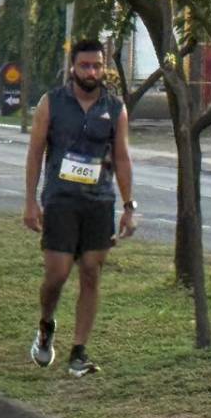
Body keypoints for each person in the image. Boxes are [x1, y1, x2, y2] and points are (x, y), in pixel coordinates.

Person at [24, 38, 136, 378]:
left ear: (104, 69)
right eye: (85, 66)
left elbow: (122, 158)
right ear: (72, 67)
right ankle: (46, 324)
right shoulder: (52, 103)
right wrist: (30, 201)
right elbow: (35, 152)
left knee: (90, 271)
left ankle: (78, 351)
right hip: (60, 200)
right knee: (57, 275)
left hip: (99, 202)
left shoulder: (115, 108)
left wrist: (128, 206)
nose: (91, 72)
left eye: (97, 66)